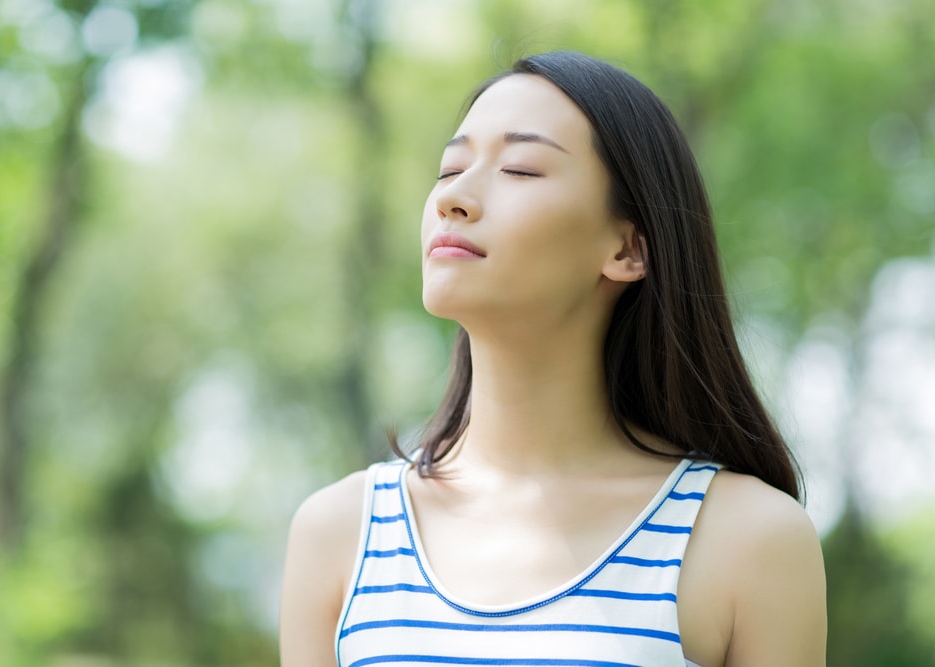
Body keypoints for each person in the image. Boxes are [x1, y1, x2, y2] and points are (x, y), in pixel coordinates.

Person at [280, 50, 827, 666]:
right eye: (449, 169)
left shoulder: (749, 540)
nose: (453, 198)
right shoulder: (339, 535)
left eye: (519, 169)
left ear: (627, 249)